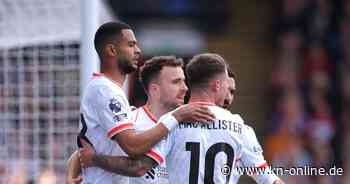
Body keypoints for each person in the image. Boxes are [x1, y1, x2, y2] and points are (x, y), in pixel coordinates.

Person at [79, 53, 285, 184]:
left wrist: (93, 160)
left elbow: (139, 167)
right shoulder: (241, 127)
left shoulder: (172, 123)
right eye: (226, 86)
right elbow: (268, 179)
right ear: (217, 85)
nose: (229, 95)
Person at [77, 21, 215, 184]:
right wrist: (177, 117)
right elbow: (133, 148)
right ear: (112, 50)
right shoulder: (106, 91)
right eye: (131, 45)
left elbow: (88, 147)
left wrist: (79, 164)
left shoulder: (110, 92)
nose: (138, 51)